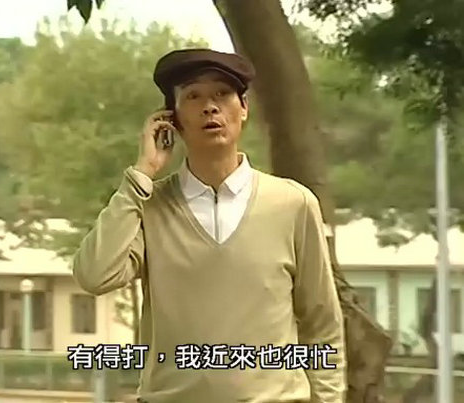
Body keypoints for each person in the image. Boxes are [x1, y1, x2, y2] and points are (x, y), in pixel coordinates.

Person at [71, 48, 346, 403]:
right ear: (172, 119)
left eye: (222, 94)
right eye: (193, 96)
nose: (210, 107)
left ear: (243, 108)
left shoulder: (293, 203)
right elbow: (94, 275)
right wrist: (141, 175)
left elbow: (323, 324)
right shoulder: (149, 205)